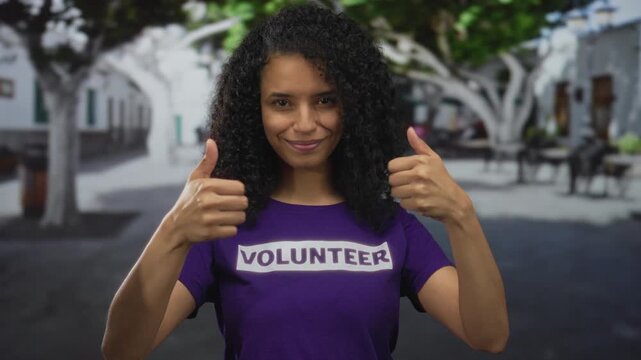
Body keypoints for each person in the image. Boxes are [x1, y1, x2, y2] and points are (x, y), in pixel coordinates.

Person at [102, 5, 508, 359]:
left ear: (354, 105)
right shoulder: (221, 223)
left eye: (325, 100)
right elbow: (122, 349)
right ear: (253, 110)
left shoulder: (391, 225)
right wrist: (173, 230)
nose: (305, 124)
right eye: (282, 103)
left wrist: (461, 214)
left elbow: (487, 335)